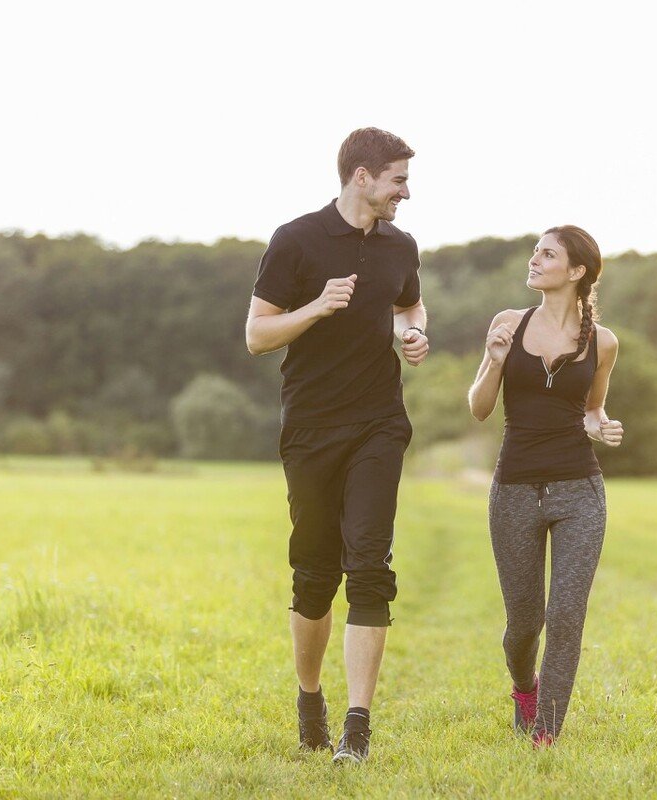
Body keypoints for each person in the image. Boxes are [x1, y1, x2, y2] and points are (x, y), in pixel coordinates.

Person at [245, 127, 429, 765]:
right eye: (399, 180)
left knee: (370, 566)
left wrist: (412, 335)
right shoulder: (295, 241)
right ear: (363, 178)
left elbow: (411, 306)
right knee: (315, 573)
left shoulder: (400, 246)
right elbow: (258, 335)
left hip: (380, 421)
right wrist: (317, 308)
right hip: (312, 427)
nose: (406, 191)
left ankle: (358, 726)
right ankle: (310, 700)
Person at [467, 225, 624, 747]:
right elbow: (480, 408)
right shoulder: (509, 323)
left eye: (547, 253)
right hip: (514, 489)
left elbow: (591, 410)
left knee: (565, 615)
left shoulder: (603, 342)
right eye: (535, 251)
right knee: (524, 624)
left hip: (580, 491)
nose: (534, 259)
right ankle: (523, 686)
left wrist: (604, 426)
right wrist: (493, 359)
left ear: (576, 272)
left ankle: (545, 736)